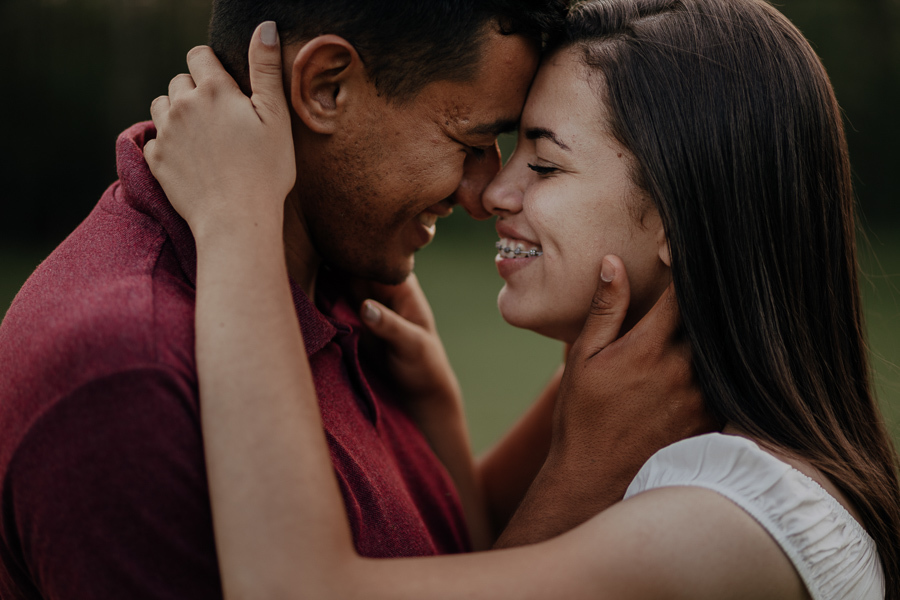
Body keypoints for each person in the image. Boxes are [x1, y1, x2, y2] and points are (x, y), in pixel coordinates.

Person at [146, 0, 900, 598]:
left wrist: (235, 217)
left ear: (677, 219)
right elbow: (471, 567)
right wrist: (443, 415)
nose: (494, 192)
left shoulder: (722, 528)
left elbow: (290, 589)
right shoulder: (662, 423)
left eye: (543, 164)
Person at [0, 1, 708, 598]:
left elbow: (443, 555)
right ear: (327, 87)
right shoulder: (132, 374)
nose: (485, 194)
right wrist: (573, 486)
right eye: (471, 140)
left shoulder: (356, 280)